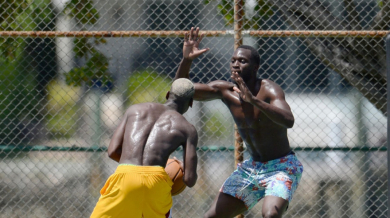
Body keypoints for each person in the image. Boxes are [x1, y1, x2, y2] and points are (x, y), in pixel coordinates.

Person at [175, 27, 304, 218]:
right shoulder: (225, 91)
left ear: (255, 67)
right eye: (233, 60)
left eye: (242, 61)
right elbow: (180, 89)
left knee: (270, 215)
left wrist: (254, 101)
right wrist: (187, 59)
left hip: (282, 166)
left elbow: (289, 120)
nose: (236, 64)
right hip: (252, 168)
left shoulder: (269, 90)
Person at [90, 78, 199, 218]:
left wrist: (134, 168)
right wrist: (182, 168)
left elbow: (112, 151)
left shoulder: (134, 110)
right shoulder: (188, 129)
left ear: (167, 95)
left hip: (125, 175)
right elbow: (190, 180)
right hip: (157, 181)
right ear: (191, 103)